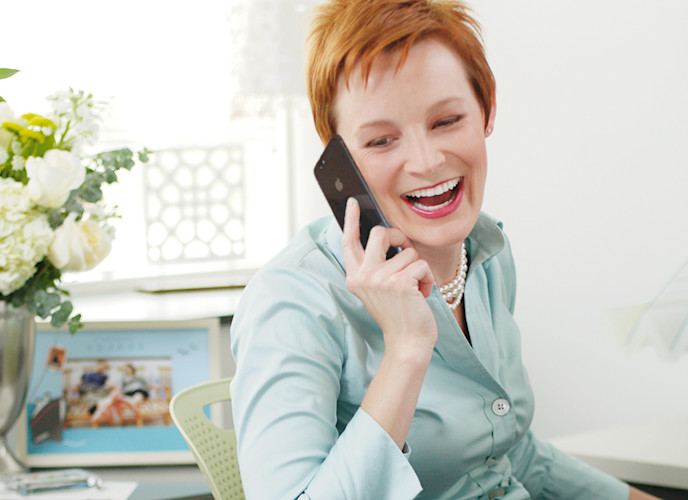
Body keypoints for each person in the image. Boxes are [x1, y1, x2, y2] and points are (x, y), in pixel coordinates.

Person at [229, 1, 659, 499]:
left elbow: (506, 453)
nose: (427, 161)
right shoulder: (293, 302)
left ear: (487, 109)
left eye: (447, 120)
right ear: (339, 160)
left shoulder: (486, 252)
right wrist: (406, 351)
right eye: (382, 140)